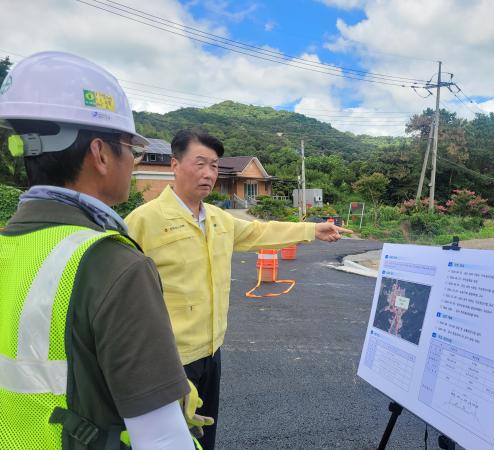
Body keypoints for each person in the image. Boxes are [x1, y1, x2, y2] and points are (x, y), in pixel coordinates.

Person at [0, 52, 210, 450]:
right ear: (100, 154)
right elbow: (162, 439)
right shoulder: (110, 262)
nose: (134, 161)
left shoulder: (10, 244)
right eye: (131, 148)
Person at [125, 129, 350, 449]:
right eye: (199, 163)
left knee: (206, 437)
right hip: (169, 361)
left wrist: (313, 229)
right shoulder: (143, 220)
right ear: (174, 165)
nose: (208, 173)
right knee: (169, 443)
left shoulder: (219, 219)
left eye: (214, 166)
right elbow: (123, 297)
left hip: (212, 353)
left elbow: (262, 232)